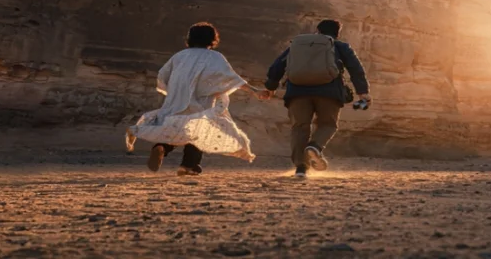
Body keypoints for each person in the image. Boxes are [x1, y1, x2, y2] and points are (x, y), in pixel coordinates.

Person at [125, 22, 269, 176]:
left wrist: (172, 91)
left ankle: (161, 147)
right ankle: (188, 165)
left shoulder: (179, 56)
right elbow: (230, 78)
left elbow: (162, 75)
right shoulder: (215, 57)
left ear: (190, 38)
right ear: (212, 39)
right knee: (199, 131)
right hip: (201, 103)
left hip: (177, 101)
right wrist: (255, 91)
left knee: (175, 129)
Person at [264, 19, 370, 178]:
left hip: (297, 92)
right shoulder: (340, 46)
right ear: (337, 33)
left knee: (300, 127)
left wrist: (270, 87)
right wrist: (363, 92)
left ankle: (301, 168)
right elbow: (355, 68)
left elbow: (277, 66)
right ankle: (315, 146)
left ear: (318, 31)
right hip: (329, 92)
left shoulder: (298, 45)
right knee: (327, 124)